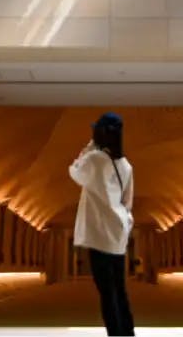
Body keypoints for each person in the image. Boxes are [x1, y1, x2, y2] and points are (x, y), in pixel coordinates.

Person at [69, 112, 135, 336]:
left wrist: (88, 149)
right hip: (118, 233)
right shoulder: (126, 165)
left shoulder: (95, 159)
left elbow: (75, 172)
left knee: (107, 294)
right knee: (120, 291)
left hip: (99, 235)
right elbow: (127, 201)